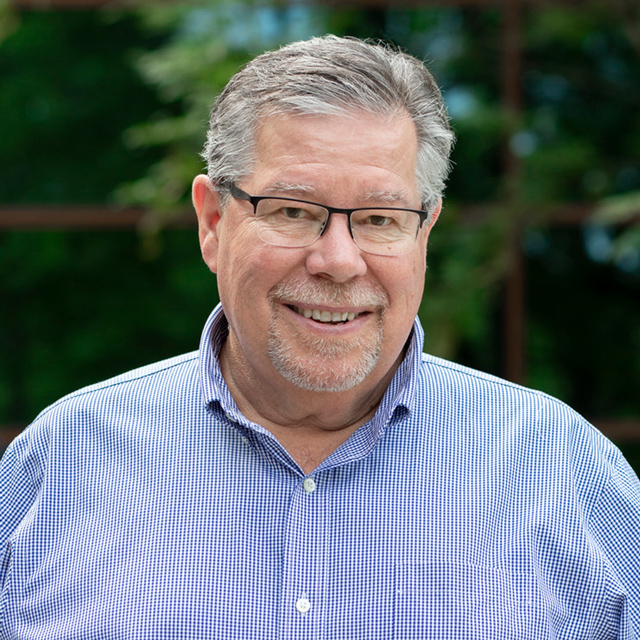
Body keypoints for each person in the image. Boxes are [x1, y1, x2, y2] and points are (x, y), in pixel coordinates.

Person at [1, 35, 639, 639]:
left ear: (425, 233)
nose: (339, 260)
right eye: (293, 211)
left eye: (381, 219)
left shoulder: (562, 470)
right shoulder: (61, 466)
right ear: (213, 222)